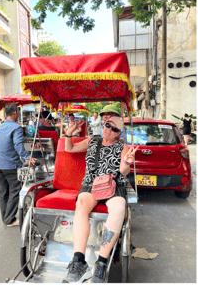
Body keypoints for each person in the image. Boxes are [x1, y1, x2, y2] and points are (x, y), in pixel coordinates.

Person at [62, 107, 138, 283]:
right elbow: (70, 149)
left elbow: (123, 171)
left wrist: (127, 162)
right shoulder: (92, 141)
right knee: (81, 205)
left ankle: (102, 263)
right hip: (91, 184)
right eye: (107, 125)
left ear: (119, 133)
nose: (108, 129)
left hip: (114, 183)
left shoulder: (122, 146)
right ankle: (78, 261)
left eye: (114, 128)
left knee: (119, 208)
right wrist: (68, 135)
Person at [0, 104, 36, 227]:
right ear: (15, 113)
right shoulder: (16, 127)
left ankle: (6, 217)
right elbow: (18, 145)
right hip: (11, 166)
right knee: (15, 190)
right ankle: (9, 219)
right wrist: (27, 158)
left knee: (3, 192)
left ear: (5, 115)